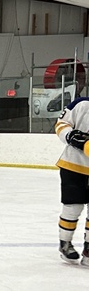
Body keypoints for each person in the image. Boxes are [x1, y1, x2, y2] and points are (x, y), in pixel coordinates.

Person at [54, 94, 89, 263]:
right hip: (73, 166)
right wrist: (72, 137)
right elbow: (61, 124)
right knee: (73, 207)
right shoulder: (81, 104)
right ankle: (65, 243)